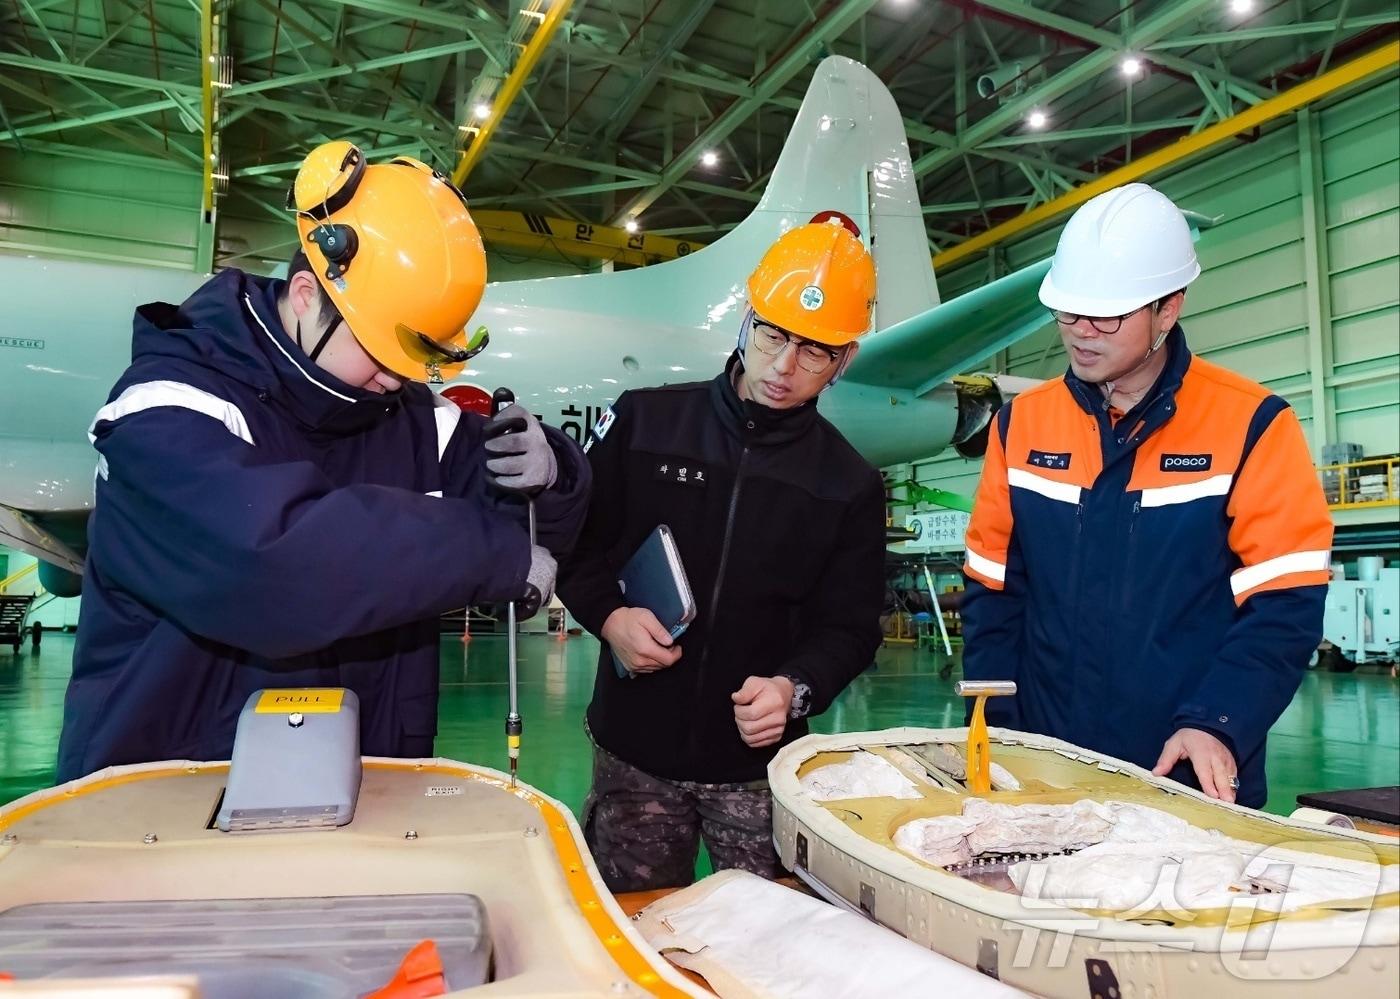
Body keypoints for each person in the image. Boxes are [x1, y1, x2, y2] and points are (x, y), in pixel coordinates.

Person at [56, 141, 589, 782]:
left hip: (368, 781)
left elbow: (526, 530)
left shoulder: (412, 419)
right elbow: (271, 565)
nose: (395, 378)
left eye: (412, 360)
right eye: (378, 349)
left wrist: (552, 473)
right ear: (307, 294)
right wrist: (487, 556)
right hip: (176, 790)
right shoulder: (168, 407)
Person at [960, 183, 1333, 810]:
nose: (1081, 332)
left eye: (1107, 315)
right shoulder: (1020, 426)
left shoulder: (1251, 425)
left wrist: (1218, 722)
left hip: (1183, 769)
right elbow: (992, 592)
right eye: (1067, 311)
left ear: (1168, 308)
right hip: (1043, 769)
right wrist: (997, 725)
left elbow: (1284, 607)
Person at [557, 217, 887, 892]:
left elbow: (851, 628)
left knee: (769, 938)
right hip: (634, 763)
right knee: (635, 928)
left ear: (846, 359)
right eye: (772, 335)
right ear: (745, 319)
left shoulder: (848, 484)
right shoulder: (644, 423)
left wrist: (794, 688)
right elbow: (575, 545)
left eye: (815, 352)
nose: (784, 366)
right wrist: (610, 617)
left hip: (758, 774)